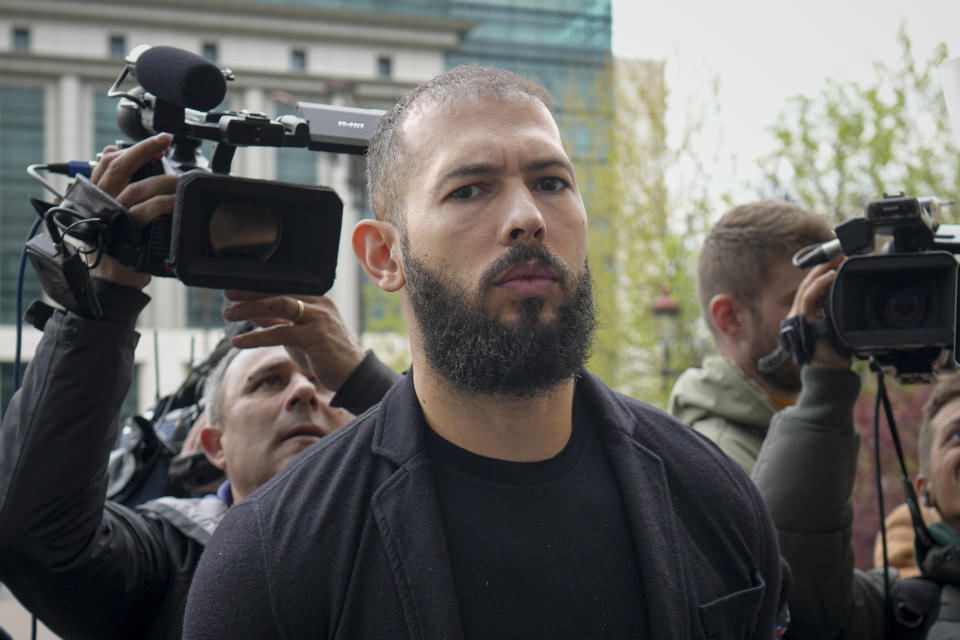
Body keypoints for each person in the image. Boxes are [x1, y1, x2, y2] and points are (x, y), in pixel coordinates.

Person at [183, 65, 786, 639]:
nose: (528, 218)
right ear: (384, 256)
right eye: (470, 189)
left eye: (551, 183)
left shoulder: (714, 495)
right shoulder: (271, 558)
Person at [0, 134, 401, 639]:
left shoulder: (416, 533)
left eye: (324, 382)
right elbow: (36, 540)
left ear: (362, 424)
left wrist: (361, 377)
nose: (303, 393)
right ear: (215, 445)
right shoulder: (166, 560)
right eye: (267, 382)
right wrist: (102, 299)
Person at [752, 259, 960, 638]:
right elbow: (798, 595)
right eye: (957, 436)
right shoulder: (896, 613)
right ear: (923, 490)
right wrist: (825, 384)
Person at [669, 201, 834, 472]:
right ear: (730, 318)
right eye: (800, 299)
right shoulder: (719, 460)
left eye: (826, 296)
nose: (822, 316)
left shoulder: (788, 425)